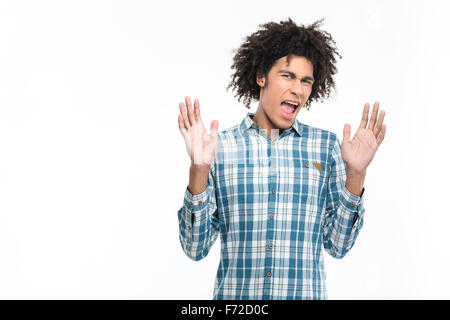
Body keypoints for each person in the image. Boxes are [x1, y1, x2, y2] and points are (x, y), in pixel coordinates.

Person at [177, 18, 386, 300]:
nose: (298, 90)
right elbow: (194, 248)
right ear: (262, 76)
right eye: (287, 76)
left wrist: (357, 175)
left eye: (306, 81)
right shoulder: (218, 148)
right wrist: (199, 169)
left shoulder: (326, 147)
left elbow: (338, 246)